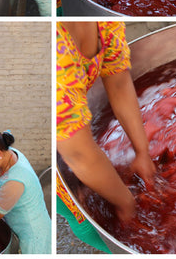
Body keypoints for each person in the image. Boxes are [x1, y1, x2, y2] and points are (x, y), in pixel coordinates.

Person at [56, 21, 155, 252]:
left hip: (71, 134)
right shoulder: (57, 54)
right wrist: (126, 204)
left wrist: (142, 153)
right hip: (61, 142)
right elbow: (79, 155)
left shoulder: (104, 21)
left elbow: (119, 82)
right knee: (84, 221)